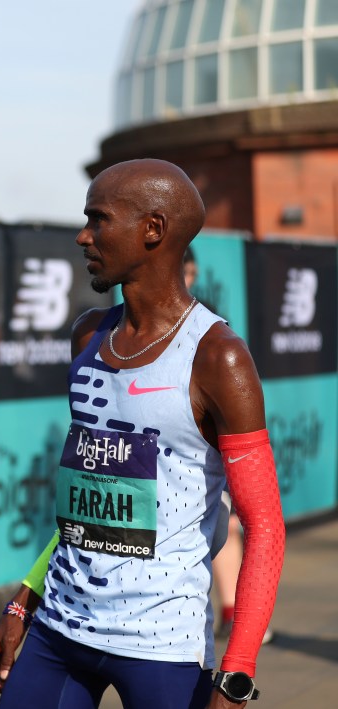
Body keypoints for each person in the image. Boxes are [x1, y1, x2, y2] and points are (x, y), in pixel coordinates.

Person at [0, 159, 284, 708]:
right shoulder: (88, 336)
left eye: (99, 220)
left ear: (153, 230)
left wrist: (236, 676)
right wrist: (25, 600)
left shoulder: (219, 358)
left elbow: (264, 526)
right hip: (60, 630)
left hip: (160, 645)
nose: (83, 235)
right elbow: (89, 504)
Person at [183, 249, 273, 647]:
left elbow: (268, 527)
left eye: (185, 270)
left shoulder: (212, 330)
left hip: (208, 455)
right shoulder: (114, 329)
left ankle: (235, 611)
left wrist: (239, 663)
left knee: (230, 523)